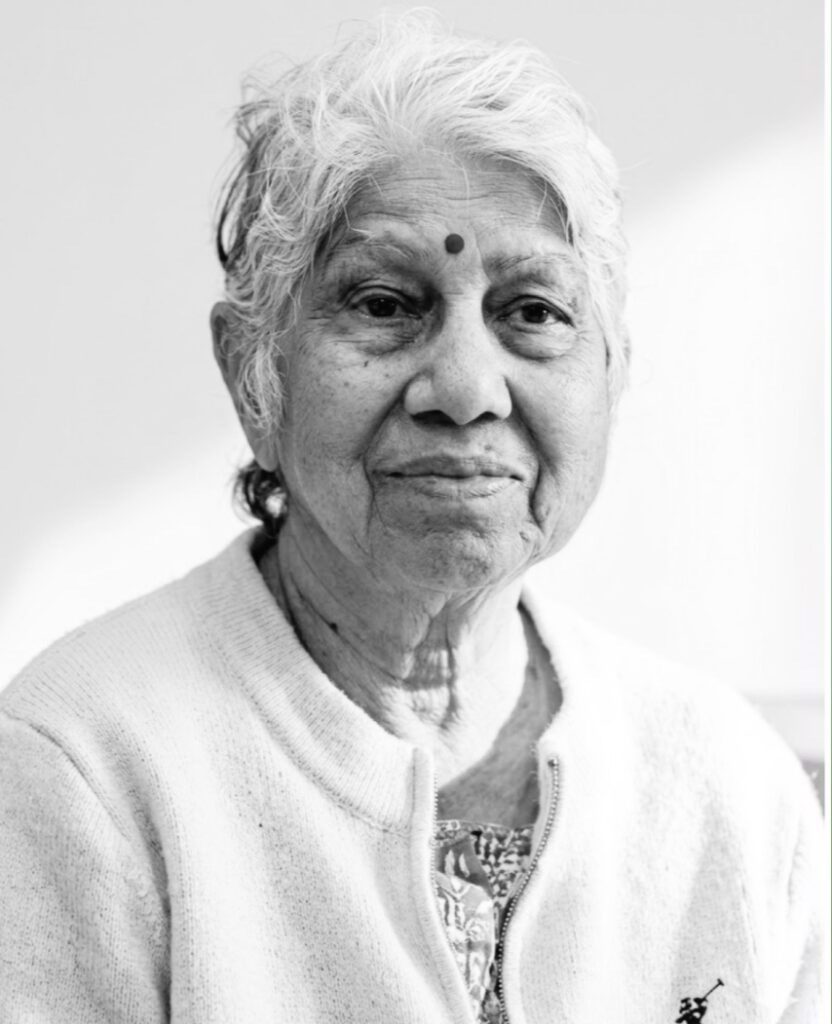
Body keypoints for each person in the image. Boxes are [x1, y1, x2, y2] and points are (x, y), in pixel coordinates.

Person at [0, 12, 822, 1024]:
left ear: (613, 374)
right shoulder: (83, 765)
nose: (467, 389)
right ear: (253, 374)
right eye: (386, 304)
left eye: (534, 311)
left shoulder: (730, 791)